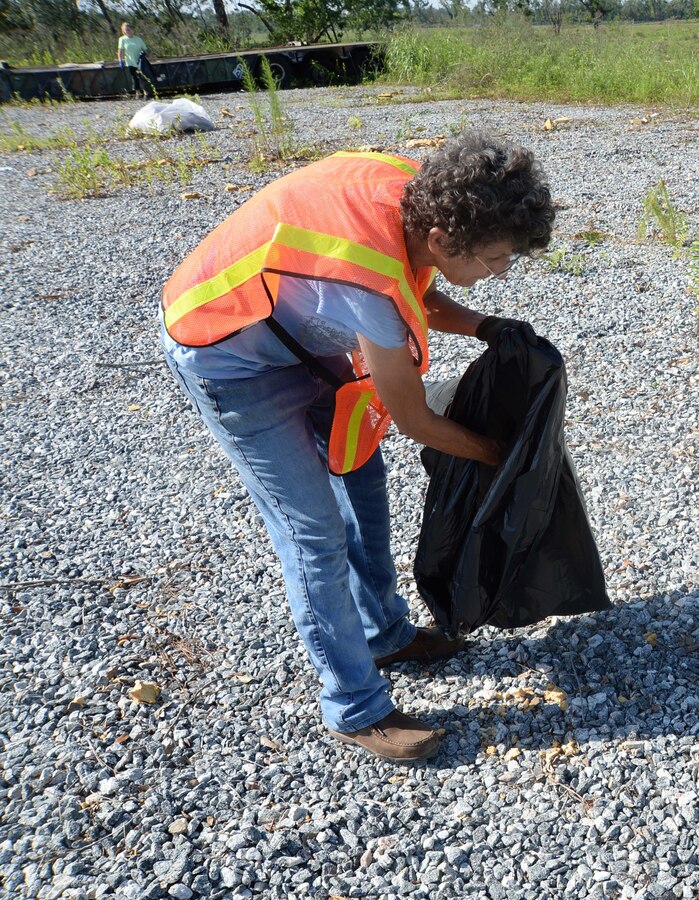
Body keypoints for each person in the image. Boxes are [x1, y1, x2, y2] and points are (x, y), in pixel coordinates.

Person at [160, 131, 555, 762]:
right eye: (497, 258)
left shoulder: (424, 198)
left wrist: (489, 327)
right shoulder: (366, 287)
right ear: (445, 239)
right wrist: (499, 454)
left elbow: (416, 289)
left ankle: (385, 634)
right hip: (225, 352)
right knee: (313, 532)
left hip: (303, 336)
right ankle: (354, 707)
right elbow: (414, 418)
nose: (500, 272)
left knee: (364, 483)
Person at [117, 22, 151, 99]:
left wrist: (145, 54)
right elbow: (120, 51)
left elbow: (145, 49)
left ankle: (146, 92)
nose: (128, 31)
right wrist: (120, 60)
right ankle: (138, 93)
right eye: (126, 30)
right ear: (123, 31)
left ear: (132, 30)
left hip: (140, 62)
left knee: (143, 77)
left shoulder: (138, 39)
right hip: (130, 61)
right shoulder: (122, 39)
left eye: (129, 29)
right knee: (135, 77)